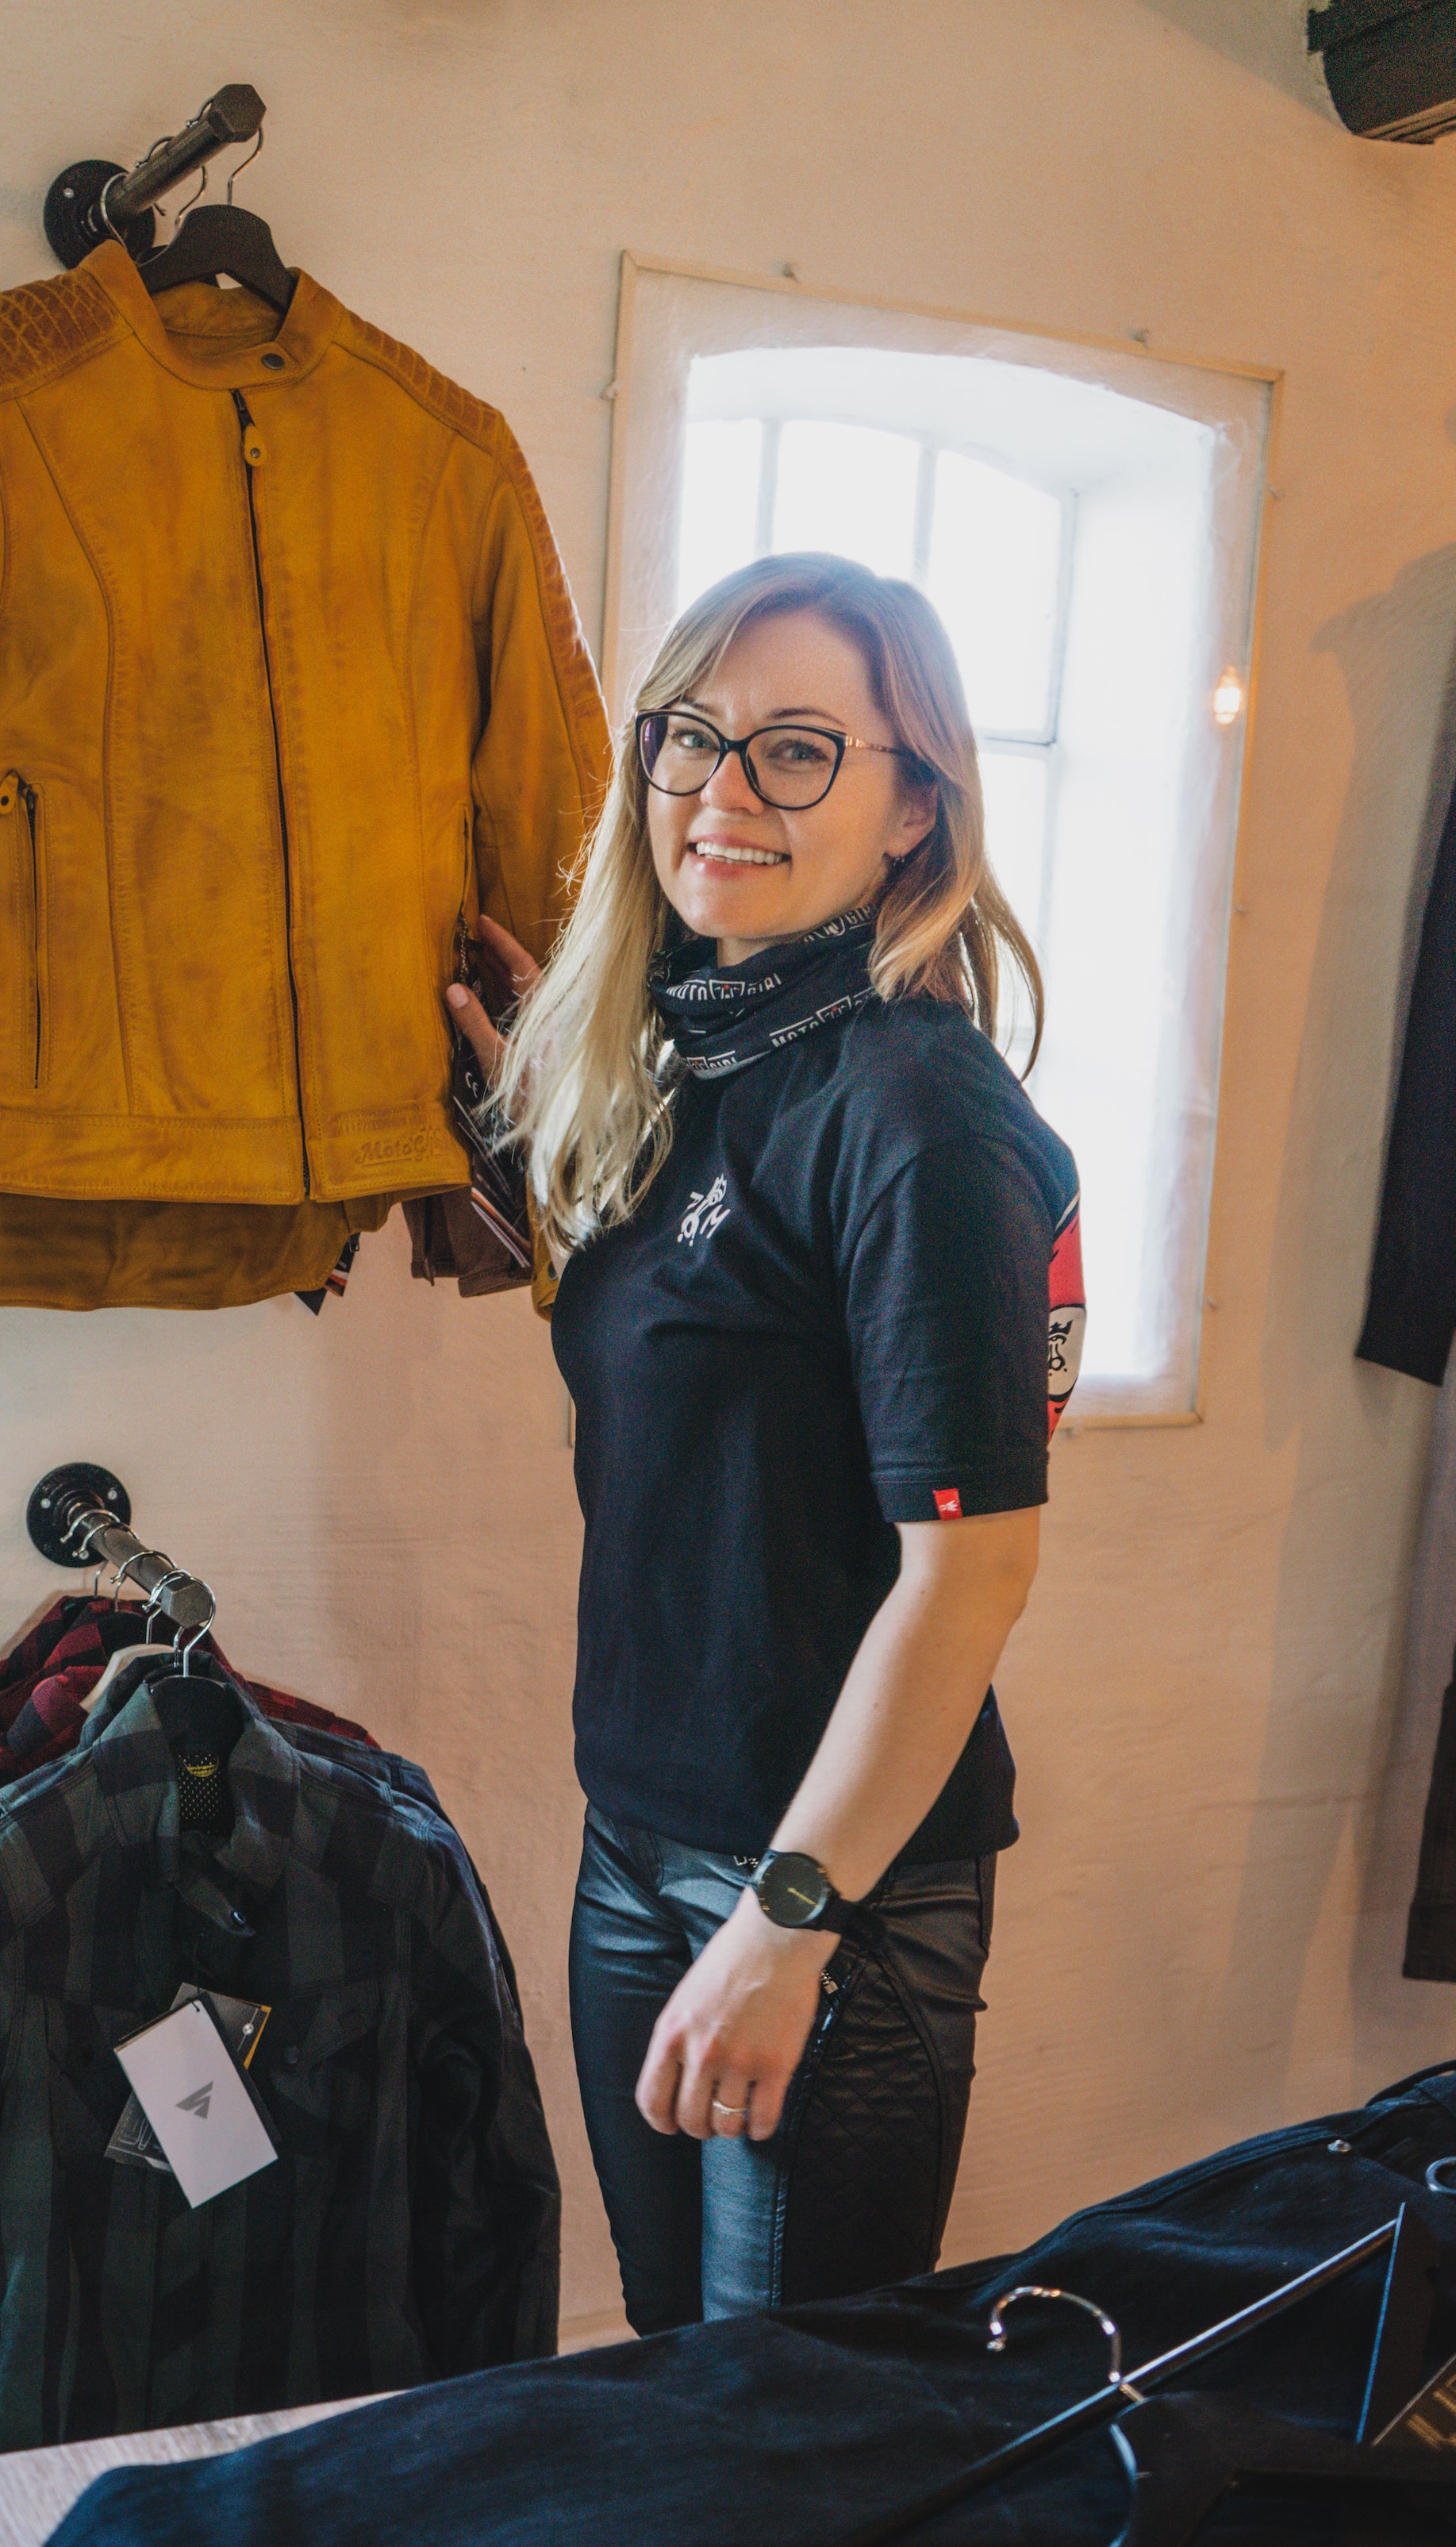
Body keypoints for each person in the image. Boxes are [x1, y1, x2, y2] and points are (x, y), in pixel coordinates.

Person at [444, 550, 1085, 2332]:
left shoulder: (916, 1112)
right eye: (688, 736)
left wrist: (787, 1919)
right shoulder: (675, 1059)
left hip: (825, 1887)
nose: (718, 794)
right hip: (639, 1832)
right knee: (675, 2363)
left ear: (910, 809)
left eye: (796, 750)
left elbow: (973, 1570)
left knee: (788, 2420)